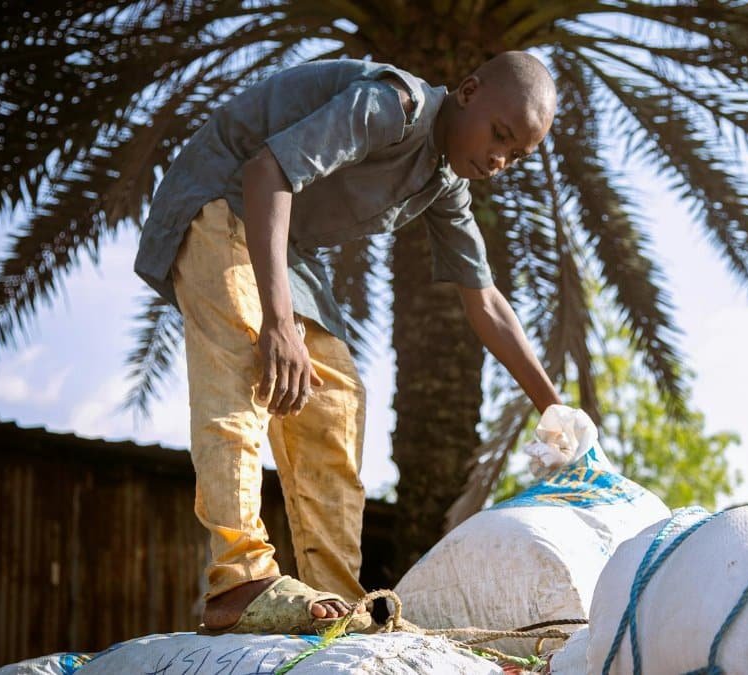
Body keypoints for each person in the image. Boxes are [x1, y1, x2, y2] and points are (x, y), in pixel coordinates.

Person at [134, 51, 563, 634]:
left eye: (515, 155)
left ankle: (336, 598)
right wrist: (279, 325)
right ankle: (240, 578)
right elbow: (267, 171)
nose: (497, 158)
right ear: (467, 91)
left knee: (335, 398)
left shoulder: (443, 180)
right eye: (500, 134)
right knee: (243, 359)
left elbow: (484, 300)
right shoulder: (394, 106)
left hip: (285, 248)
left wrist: (556, 410)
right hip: (224, 193)